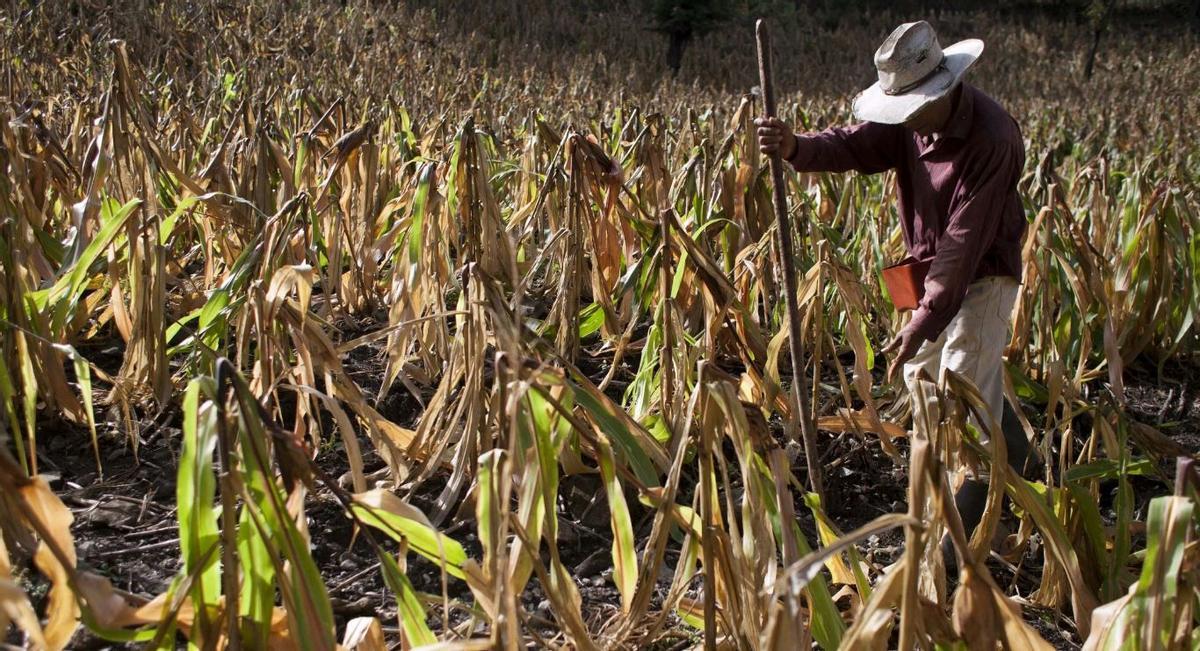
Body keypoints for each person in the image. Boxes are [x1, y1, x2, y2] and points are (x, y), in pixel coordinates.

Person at [755, 20, 1033, 572]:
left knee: (961, 395)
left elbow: (963, 243)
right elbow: (858, 143)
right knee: (924, 383)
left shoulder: (993, 139)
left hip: (981, 275)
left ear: (945, 88)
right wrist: (796, 147)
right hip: (929, 272)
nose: (903, 117)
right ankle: (1024, 465)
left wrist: (924, 317)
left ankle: (955, 550)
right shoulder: (911, 120)